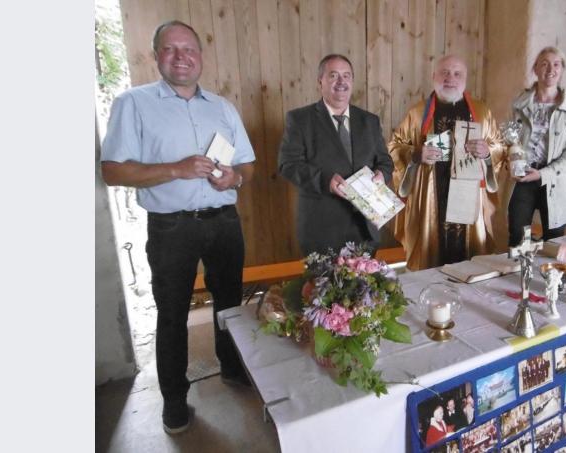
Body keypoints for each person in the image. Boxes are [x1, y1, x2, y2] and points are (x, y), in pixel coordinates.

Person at [100, 20, 256, 435]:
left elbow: (247, 164)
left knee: (230, 305)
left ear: (200, 56)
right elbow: (113, 171)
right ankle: (174, 399)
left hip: (224, 221)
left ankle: (233, 368)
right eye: (171, 49)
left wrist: (234, 179)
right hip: (171, 229)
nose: (181, 56)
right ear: (156, 56)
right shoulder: (133, 104)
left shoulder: (222, 107)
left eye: (189, 49)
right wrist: (177, 169)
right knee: (172, 315)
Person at [389, 55, 504, 270]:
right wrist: (416, 154)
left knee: (469, 262)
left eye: (457, 73)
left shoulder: (481, 112)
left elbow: (499, 146)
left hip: (469, 200)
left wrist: (488, 153)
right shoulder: (417, 113)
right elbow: (395, 146)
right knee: (432, 259)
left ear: (465, 79)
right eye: (444, 72)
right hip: (431, 199)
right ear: (434, 77)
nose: (450, 78)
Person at [278, 54, 393, 256]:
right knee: (325, 288)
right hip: (321, 228)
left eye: (346, 76)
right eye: (333, 75)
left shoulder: (369, 121)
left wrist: (382, 174)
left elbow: (385, 161)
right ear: (320, 81)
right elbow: (288, 165)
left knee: (367, 287)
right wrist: (325, 181)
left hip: (365, 227)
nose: (341, 82)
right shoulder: (300, 119)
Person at [507, 46, 566, 246]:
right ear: (535, 69)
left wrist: (543, 174)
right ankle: (518, 275)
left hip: (556, 179)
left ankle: (551, 277)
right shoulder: (520, 102)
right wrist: (512, 159)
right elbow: (511, 138)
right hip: (524, 176)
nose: (550, 69)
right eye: (544, 64)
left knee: (554, 242)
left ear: (562, 69)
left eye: (556, 64)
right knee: (517, 237)